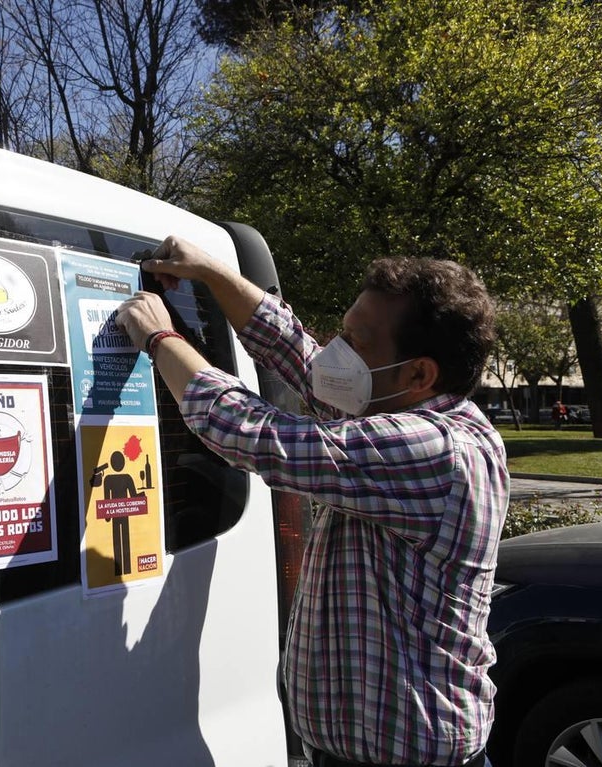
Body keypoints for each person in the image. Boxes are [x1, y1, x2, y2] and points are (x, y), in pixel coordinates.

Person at [115, 236, 506, 767]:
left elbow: (253, 434)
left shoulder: (435, 449)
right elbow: (298, 355)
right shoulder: (394, 403)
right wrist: (211, 271)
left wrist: (160, 338)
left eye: (355, 341)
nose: (335, 352)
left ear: (419, 374)